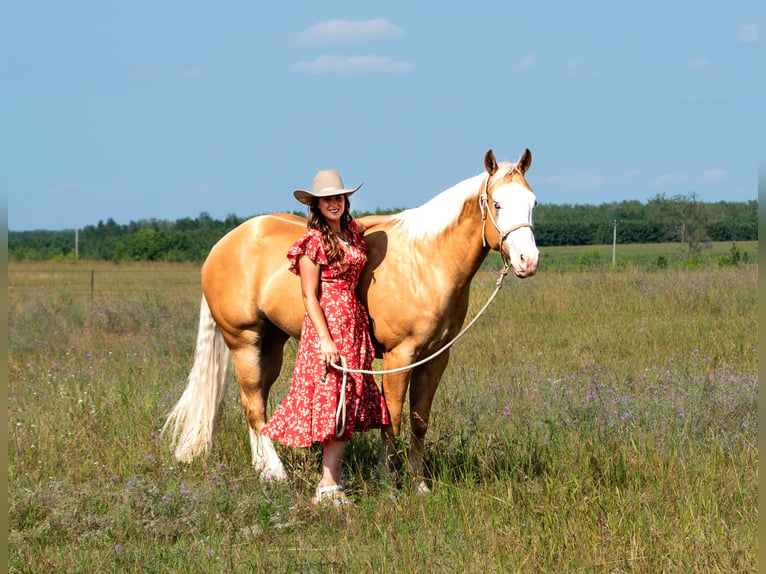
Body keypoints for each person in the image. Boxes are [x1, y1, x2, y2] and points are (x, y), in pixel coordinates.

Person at [261, 168, 396, 505]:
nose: (334, 203)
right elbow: (309, 296)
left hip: (352, 322)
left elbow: (372, 221)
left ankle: (330, 483)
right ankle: (326, 484)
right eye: (327, 200)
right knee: (331, 403)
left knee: (347, 402)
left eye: (338, 197)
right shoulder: (312, 243)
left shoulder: (351, 231)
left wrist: (407, 218)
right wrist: (324, 340)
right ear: (317, 205)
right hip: (328, 325)